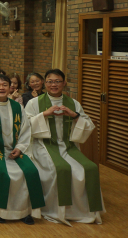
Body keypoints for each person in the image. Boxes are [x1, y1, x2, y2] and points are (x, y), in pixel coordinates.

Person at [24, 69, 104, 225]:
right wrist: (44, 114)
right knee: (61, 168)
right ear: (44, 83)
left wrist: (73, 115)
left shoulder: (73, 103)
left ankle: (85, 211)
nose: (54, 85)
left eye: (57, 81)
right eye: (50, 81)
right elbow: (25, 126)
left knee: (90, 168)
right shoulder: (34, 103)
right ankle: (57, 211)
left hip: (68, 146)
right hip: (43, 145)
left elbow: (88, 125)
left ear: (64, 83)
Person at [0, 74, 45, 224]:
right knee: (0, 172)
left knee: (30, 171)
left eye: (4, 85)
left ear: (10, 87)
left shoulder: (17, 106)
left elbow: (26, 129)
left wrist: (20, 148)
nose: (1, 88)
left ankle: (26, 211)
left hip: (15, 148)